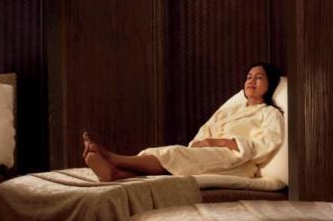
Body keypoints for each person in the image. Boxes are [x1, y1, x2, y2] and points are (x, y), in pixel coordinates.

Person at [82, 62, 284, 182]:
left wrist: (221, 142)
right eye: (249, 77)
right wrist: (199, 144)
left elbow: (266, 145)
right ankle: (116, 174)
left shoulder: (270, 114)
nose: (251, 81)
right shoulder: (229, 111)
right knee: (178, 156)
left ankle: (114, 158)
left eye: (259, 78)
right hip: (210, 154)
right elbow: (205, 132)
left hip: (237, 162)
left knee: (173, 154)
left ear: (270, 84)